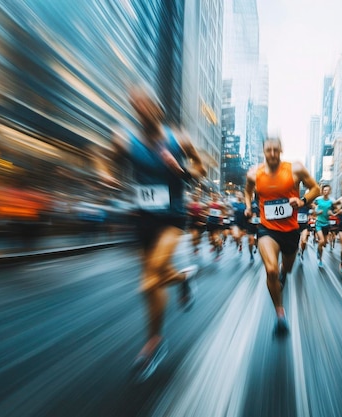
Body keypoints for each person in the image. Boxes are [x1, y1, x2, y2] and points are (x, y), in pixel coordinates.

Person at [99, 85, 206, 381]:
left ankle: (154, 343)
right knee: (155, 280)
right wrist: (106, 173)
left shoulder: (179, 138)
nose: (141, 108)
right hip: (143, 220)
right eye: (136, 105)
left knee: (149, 281)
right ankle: (185, 276)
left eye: (146, 103)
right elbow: (104, 159)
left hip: (172, 218)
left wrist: (183, 170)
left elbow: (201, 169)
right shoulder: (125, 139)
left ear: (158, 107)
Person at [244, 137, 320, 334]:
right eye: (268, 150)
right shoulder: (254, 174)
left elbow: (316, 188)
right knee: (271, 270)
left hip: (290, 231)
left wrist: (302, 201)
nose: (272, 153)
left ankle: (282, 272)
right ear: (263, 151)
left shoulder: (295, 169)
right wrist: (248, 207)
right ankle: (280, 313)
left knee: (286, 269)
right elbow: (247, 191)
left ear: (281, 150)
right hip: (267, 230)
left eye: (275, 150)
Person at [314, 184, 334, 268]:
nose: (326, 192)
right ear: (322, 191)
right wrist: (317, 211)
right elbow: (313, 207)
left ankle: (319, 249)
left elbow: (334, 210)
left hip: (326, 223)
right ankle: (320, 259)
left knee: (324, 243)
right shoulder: (318, 199)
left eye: (327, 190)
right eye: (324, 190)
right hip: (318, 222)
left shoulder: (332, 201)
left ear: (330, 191)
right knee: (321, 241)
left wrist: (331, 213)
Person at [206, 191, 226, 259]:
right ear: (211, 195)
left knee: (215, 237)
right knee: (210, 239)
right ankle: (216, 245)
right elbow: (206, 211)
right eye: (213, 195)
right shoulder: (209, 203)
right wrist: (207, 213)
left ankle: (218, 252)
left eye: (216, 195)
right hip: (210, 222)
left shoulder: (221, 204)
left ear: (218, 196)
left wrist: (221, 217)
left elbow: (224, 213)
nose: (214, 196)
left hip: (217, 222)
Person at [186, 191, 206, 255]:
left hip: (200, 222)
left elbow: (206, 213)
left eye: (197, 195)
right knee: (194, 236)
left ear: (199, 196)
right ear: (192, 196)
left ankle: (197, 243)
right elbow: (186, 212)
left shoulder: (202, 205)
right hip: (192, 221)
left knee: (198, 237)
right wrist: (191, 214)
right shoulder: (189, 204)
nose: (195, 196)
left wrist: (202, 217)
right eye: (194, 195)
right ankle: (195, 248)